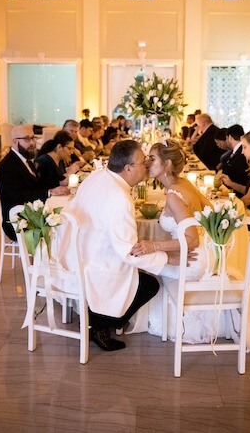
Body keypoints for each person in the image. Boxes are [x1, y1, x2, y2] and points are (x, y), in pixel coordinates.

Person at [130, 139, 250, 358]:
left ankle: (129, 318)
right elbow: (210, 210)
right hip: (203, 257)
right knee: (154, 259)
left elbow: (190, 240)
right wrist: (187, 247)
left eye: (152, 158)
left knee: (142, 263)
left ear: (166, 165)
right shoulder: (184, 183)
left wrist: (154, 246)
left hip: (192, 261)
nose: (146, 162)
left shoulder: (174, 195)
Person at [68, 140, 175, 352]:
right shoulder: (119, 197)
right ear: (127, 169)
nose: (146, 165)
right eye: (142, 162)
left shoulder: (98, 176)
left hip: (78, 254)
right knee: (150, 284)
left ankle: (98, 317)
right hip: (98, 264)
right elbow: (128, 252)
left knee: (140, 273)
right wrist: (166, 258)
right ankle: (100, 325)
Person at [0, 124, 69, 241]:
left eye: (33, 138)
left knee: (64, 215)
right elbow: (17, 196)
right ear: (15, 141)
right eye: (27, 139)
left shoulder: (26, 161)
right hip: (18, 220)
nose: (32, 143)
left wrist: (59, 184)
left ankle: (53, 256)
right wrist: (49, 192)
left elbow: (39, 183)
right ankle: (48, 257)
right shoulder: (8, 165)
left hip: (31, 213)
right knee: (62, 223)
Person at [219, 124, 249, 195]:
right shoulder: (237, 150)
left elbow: (240, 176)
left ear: (229, 137)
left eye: (226, 138)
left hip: (237, 193)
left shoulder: (242, 152)